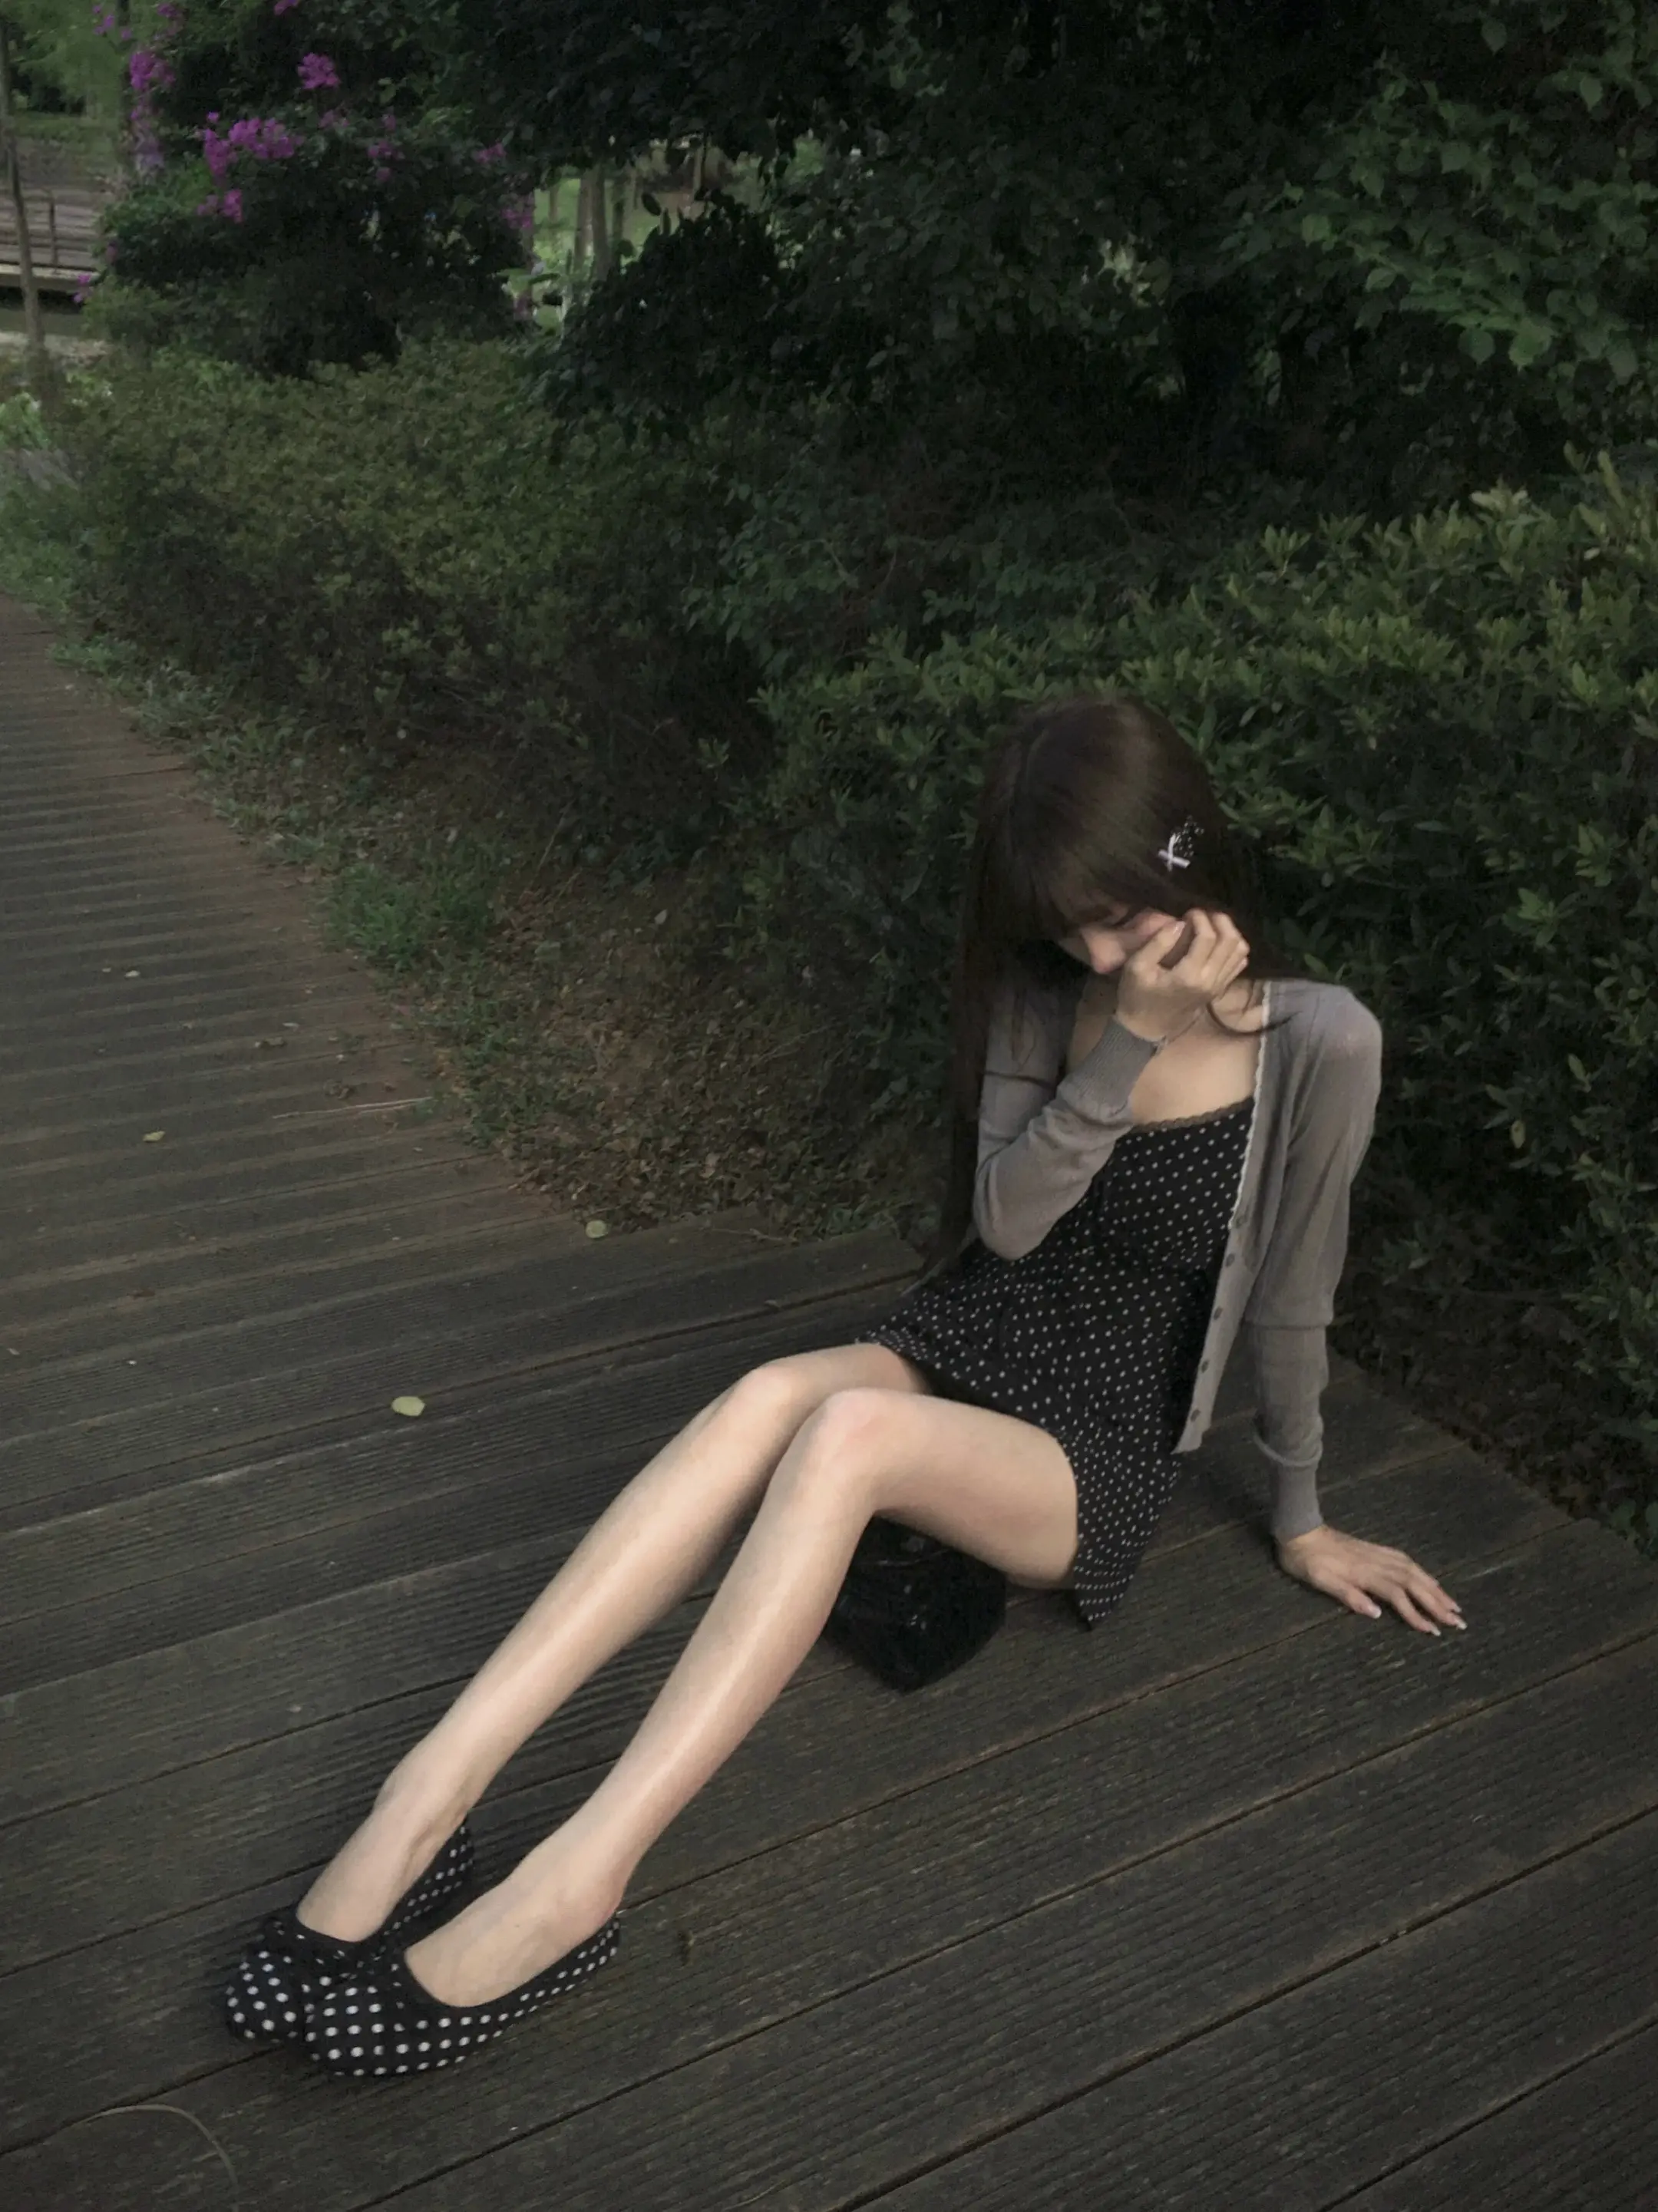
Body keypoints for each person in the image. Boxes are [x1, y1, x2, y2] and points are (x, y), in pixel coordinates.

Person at [221, 693, 1465, 2080]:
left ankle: (577, 1879)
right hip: (972, 1338)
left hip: (1094, 1441)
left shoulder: (1320, 1042)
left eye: (1118, 918)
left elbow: (1295, 1294)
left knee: (848, 1434)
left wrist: (1301, 1516)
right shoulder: (1044, 989)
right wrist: (1121, 1038)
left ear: (1188, 856)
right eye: (1072, 929)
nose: (1101, 955)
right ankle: (426, 1795)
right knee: (769, 1395)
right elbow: (1007, 1226)